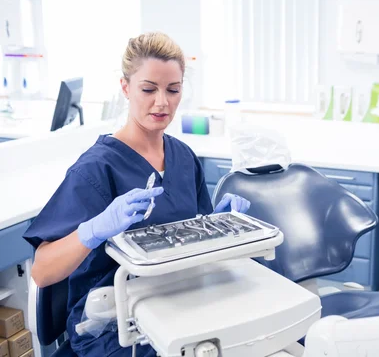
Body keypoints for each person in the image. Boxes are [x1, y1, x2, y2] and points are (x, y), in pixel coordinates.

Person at [22, 32, 250, 356]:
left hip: (178, 304)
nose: (162, 102)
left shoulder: (184, 157)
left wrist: (218, 224)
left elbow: (189, 239)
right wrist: (93, 230)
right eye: (148, 89)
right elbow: (42, 272)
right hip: (112, 325)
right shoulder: (96, 169)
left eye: (173, 90)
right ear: (126, 88)